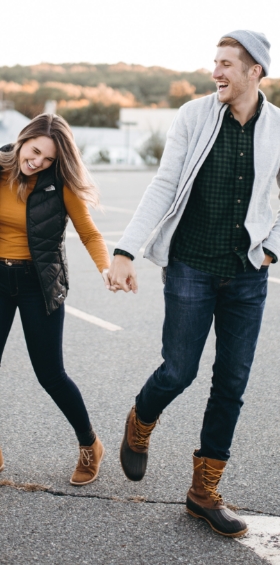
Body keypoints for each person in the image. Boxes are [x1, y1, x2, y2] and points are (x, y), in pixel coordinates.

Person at [107, 30, 280, 537]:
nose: (216, 72)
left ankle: (203, 493)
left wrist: (272, 246)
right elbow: (164, 183)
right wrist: (125, 250)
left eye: (227, 64)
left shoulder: (277, 127)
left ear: (255, 72)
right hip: (191, 265)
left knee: (232, 382)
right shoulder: (193, 115)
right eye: (215, 62)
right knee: (179, 370)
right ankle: (140, 420)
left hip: (248, 272)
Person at [0, 113, 110, 486]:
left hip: (38, 283)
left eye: (47, 159)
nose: (38, 163)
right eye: (34, 152)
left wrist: (107, 268)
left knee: (50, 374)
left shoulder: (59, 183)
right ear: (22, 139)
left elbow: (90, 234)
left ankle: (89, 444)